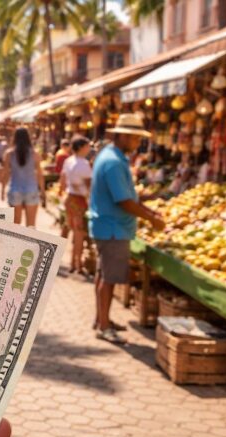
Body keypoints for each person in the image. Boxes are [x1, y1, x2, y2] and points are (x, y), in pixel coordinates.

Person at [89, 114, 165, 344]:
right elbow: (123, 200)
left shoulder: (112, 156)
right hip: (113, 227)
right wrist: (151, 218)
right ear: (122, 136)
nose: (136, 143)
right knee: (108, 279)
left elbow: (127, 195)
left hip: (108, 226)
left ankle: (101, 319)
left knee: (103, 275)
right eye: (133, 138)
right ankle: (103, 327)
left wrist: (146, 206)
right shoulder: (113, 161)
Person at [1, 127, 45, 227]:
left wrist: (2, 190)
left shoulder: (9, 154)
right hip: (31, 190)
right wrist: (42, 191)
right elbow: (39, 174)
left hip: (15, 189)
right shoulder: (35, 154)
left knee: (15, 226)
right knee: (31, 226)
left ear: (14, 138)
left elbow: (6, 173)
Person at [61, 136, 93, 275]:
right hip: (79, 201)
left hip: (69, 199)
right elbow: (89, 185)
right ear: (81, 147)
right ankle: (77, 264)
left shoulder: (68, 161)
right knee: (79, 233)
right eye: (87, 146)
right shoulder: (83, 164)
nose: (89, 148)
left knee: (74, 231)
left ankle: (72, 262)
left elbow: (62, 179)